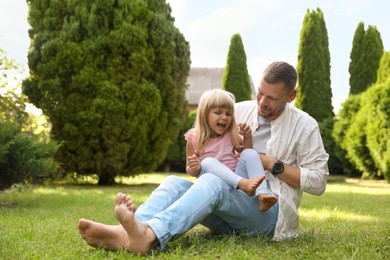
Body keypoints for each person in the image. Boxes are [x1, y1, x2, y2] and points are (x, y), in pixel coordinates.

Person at [77, 61, 329, 255]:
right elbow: (205, 131)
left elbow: (318, 182)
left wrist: (270, 163)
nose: (262, 102)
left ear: (291, 96)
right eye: (260, 93)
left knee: (213, 183)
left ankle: (148, 236)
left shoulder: (305, 126)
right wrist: (193, 159)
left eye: (271, 98)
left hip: (270, 216)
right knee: (174, 183)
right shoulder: (237, 110)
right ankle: (129, 232)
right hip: (230, 207)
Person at [184, 89, 277, 212]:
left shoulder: (230, 134)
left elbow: (247, 153)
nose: (224, 117)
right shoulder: (194, 138)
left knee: (251, 153)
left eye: (228, 114)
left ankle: (262, 196)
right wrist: (194, 168)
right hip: (213, 184)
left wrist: (247, 137)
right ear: (204, 114)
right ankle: (244, 184)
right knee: (207, 162)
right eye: (218, 112)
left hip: (236, 180)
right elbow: (190, 170)